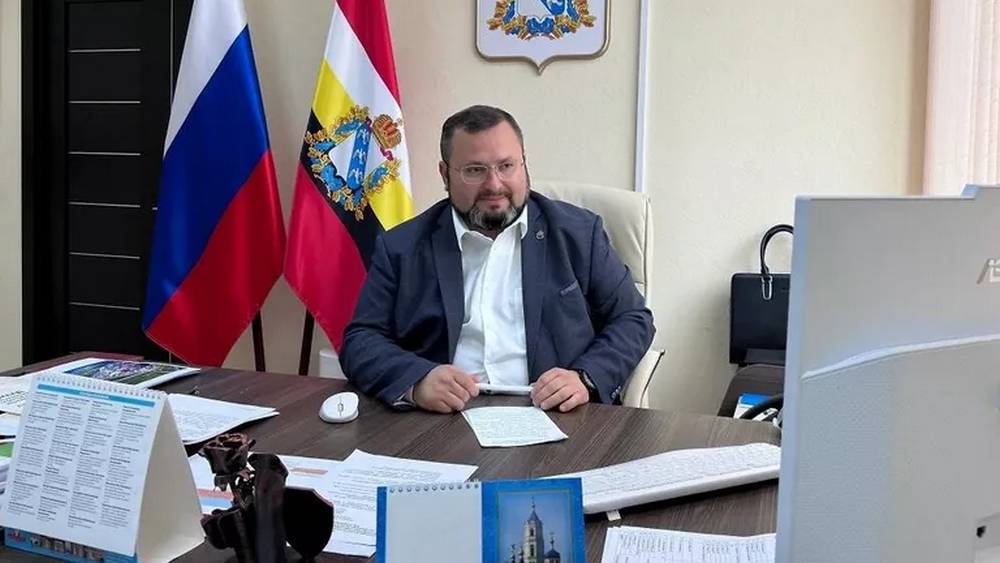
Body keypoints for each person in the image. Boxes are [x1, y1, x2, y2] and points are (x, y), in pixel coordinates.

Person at [340, 105, 655, 413]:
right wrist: (418, 380)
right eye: (475, 170)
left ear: (524, 163)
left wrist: (583, 378)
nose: (494, 185)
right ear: (445, 174)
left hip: (553, 413)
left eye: (506, 166)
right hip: (443, 417)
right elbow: (361, 340)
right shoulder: (402, 247)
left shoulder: (578, 233)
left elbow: (633, 319)